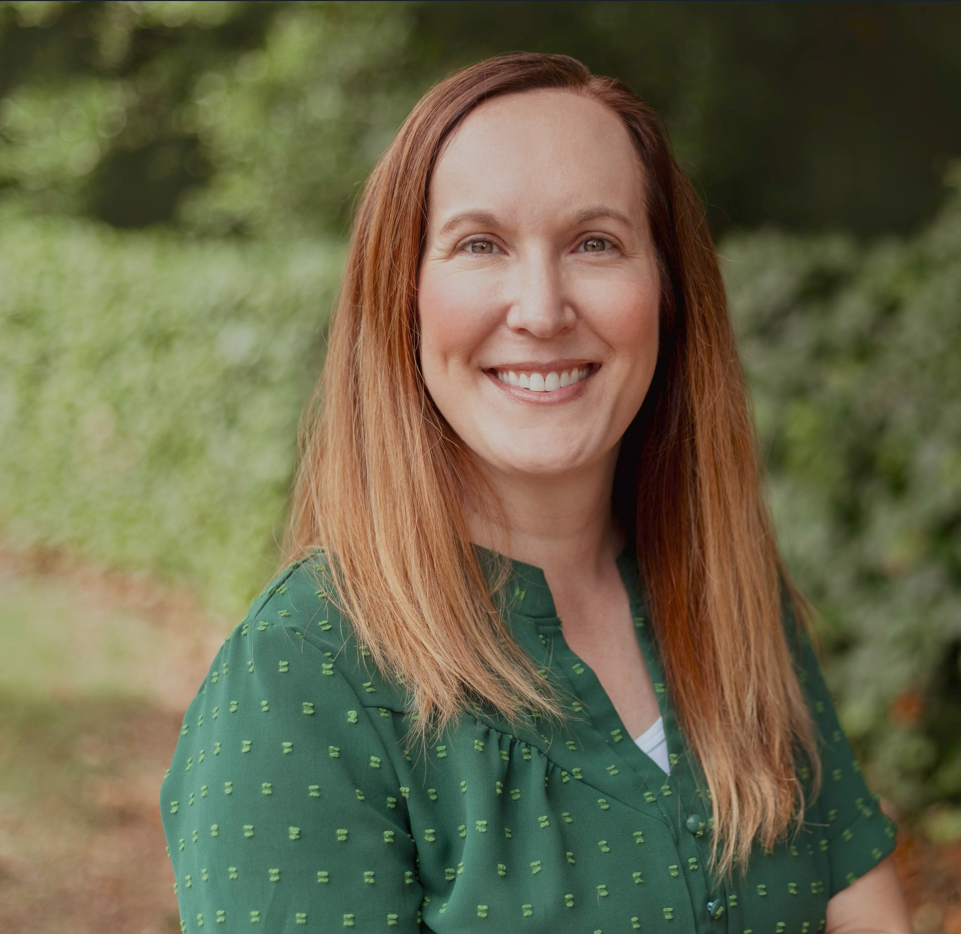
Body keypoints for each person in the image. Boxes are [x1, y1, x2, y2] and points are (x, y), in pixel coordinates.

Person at [160, 52, 912, 933]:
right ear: (402, 298)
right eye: (480, 244)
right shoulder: (301, 675)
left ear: (668, 292)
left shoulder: (730, 594)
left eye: (596, 243)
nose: (542, 309)